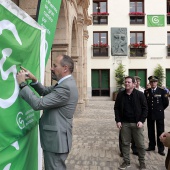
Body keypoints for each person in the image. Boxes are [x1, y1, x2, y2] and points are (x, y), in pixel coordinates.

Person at [16, 54, 78, 170]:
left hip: (56, 142)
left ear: (65, 68)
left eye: (55, 66)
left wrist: (22, 84)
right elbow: (45, 91)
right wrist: (34, 80)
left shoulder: (65, 87)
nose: (51, 68)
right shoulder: (64, 84)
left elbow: (38, 104)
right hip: (56, 140)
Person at [114, 76, 148, 170]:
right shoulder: (120, 95)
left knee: (140, 144)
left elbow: (145, 109)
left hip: (137, 124)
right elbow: (116, 108)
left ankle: (142, 162)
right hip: (124, 124)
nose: (126, 84)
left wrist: (141, 121)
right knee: (125, 143)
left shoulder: (140, 95)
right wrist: (118, 120)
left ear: (134, 84)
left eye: (129, 82)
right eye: (125, 82)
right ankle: (126, 161)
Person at [144, 76, 169, 156]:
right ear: (149, 83)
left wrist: (160, 109)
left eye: (154, 82)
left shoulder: (162, 91)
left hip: (159, 114)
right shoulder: (146, 91)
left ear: (157, 82)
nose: (153, 83)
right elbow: (145, 103)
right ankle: (151, 146)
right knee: (150, 131)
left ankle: (161, 149)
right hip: (150, 114)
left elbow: (166, 103)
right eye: (151, 82)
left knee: (160, 131)